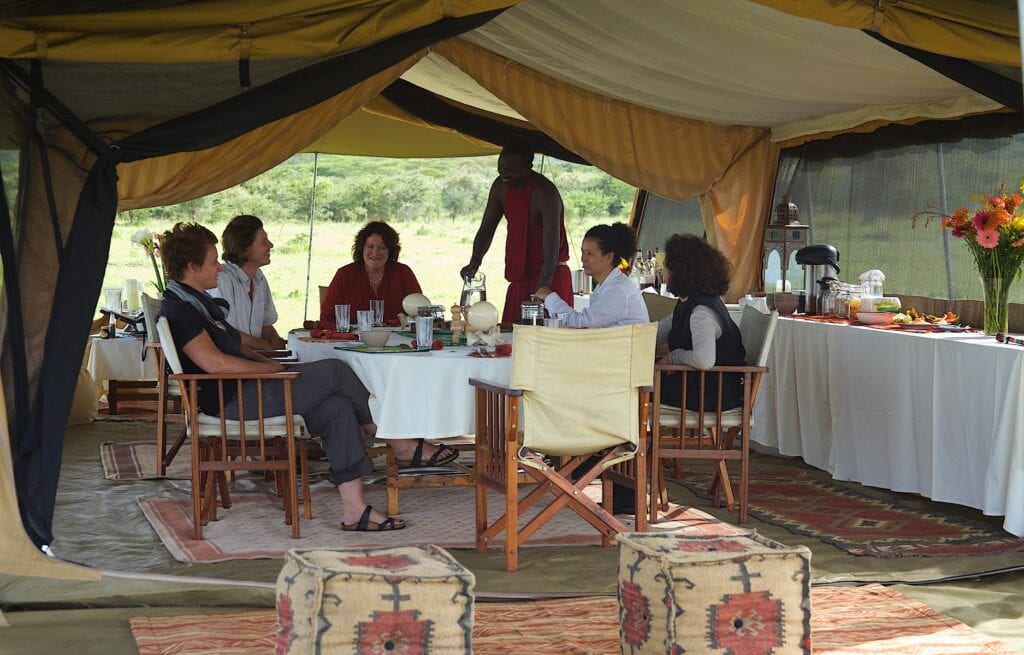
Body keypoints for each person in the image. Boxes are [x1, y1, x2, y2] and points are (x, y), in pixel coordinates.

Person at [159, 223, 457, 532]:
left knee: (339, 407)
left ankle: (355, 510)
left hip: (244, 392)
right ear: (192, 268)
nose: (219, 267)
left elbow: (238, 344)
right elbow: (214, 363)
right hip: (232, 402)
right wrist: (272, 370)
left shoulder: (199, 305)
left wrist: (269, 360)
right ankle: (398, 442)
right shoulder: (182, 310)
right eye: (212, 261)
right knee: (336, 370)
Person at [460, 138, 574, 324]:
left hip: (549, 279)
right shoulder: (500, 187)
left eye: (511, 170)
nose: (505, 173)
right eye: (501, 167)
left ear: (528, 167)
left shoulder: (544, 193)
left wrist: (539, 296)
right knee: (510, 339)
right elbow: (487, 228)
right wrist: (475, 260)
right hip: (519, 280)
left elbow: (551, 255)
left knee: (546, 340)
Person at [656, 234, 746, 411]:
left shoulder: (701, 312)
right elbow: (658, 332)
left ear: (680, 273)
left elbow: (704, 361)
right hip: (699, 386)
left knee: (634, 389)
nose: (663, 274)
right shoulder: (690, 302)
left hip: (711, 394)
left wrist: (673, 357)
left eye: (666, 269)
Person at [534, 223, 648, 328]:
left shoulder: (617, 290)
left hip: (625, 350)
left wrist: (550, 297)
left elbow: (581, 323)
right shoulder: (608, 285)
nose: (583, 259)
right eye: (583, 252)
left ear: (609, 257)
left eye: (590, 254)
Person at [320, 221, 421, 327]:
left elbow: (420, 312)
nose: (375, 253)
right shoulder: (344, 275)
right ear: (361, 248)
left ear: (390, 251)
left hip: (398, 340)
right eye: (370, 246)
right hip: (352, 340)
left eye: (382, 247)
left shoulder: (403, 273)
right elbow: (327, 317)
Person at [213, 214, 287, 351]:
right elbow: (224, 332)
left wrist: (277, 345)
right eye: (264, 241)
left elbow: (265, 324)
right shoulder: (223, 280)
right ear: (245, 250)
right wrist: (264, 345)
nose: (271, 245)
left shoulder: (258, 277)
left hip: (256, 360)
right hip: (235, 365)